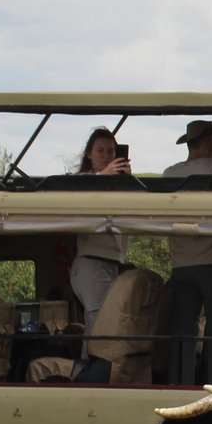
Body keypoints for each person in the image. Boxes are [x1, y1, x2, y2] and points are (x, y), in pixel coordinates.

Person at [162, 120, 212, 385]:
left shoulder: (169, 173)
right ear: (206, 143)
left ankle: (180, 383)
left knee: (184, 330)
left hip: (182, 264)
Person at [70, 127, 132, 334]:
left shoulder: (117, 185)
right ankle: (91, 366)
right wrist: (102, 175)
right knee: (99, 326)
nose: (106, 156)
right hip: (92, 262)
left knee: (106, 324)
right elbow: (77, 198)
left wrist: (128, 182)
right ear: (89, 154)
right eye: (100, 151)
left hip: (112, 262)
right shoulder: (83, 181)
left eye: (111, 152)